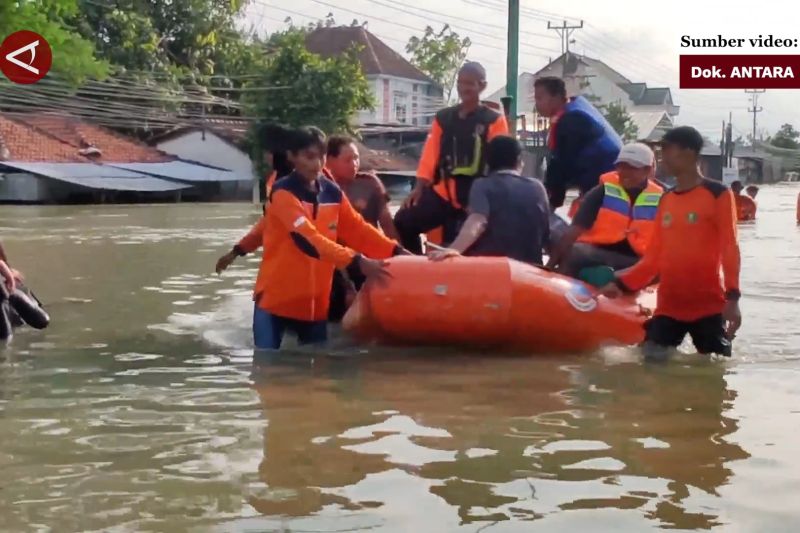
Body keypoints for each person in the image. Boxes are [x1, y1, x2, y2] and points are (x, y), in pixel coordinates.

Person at [216, 127, 405, 350]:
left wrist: (399, 254)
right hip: (275, 306)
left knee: (315, 378)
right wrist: (358, 261)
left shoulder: (332, 193)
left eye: (321, 156)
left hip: (314, 308)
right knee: (267, 372)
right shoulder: (282, 193)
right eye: (309, 156)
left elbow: (360, 231)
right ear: (292, 157)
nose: (317, 164)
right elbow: (308, 240)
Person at [600, 126, 742, 361]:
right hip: (669, 307)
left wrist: (733, 298)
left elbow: (730, 248)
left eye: (666, 150)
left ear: (687, 152)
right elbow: (653, 259)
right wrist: (621, 284)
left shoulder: (718, 194)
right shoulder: (666, 199)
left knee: (715, 375)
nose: (661, 157)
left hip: (707, 306)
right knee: (650, 367)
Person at [394, 62, 509, 254]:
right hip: (444, 192)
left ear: (482, 86)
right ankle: (416, 265)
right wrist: (419, 187)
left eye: (470, 83)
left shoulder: (494, 120)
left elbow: (501, 161)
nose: (464, 88)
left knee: (478, 245)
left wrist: (494, 196)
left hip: (478, 195)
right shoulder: (444, 118)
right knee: (403, 221)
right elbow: (430, 155)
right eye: (461, 83)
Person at [546, 143, 663, 278]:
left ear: (647, 170)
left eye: (632, 168)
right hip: (599, 252)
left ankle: (612, 280)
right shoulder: (603, 191)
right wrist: (550, 266)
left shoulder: (660, 198)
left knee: (659, 268)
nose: (624, 172)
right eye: (621, 166)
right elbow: (575, 230)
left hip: (636, 260)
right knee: (576, 251)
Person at [428, 136, 550, 265]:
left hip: (491, 267)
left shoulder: (482, 185)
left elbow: (477, 221)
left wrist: (453, 249)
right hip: (531, 268)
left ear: (487, 162)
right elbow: (545, 232)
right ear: (519, 160)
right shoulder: (537, 187)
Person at [325, 134, 399, 321]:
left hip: (372, 255)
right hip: (339, 261)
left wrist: (399, 260)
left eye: (356, 158)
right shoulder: (322, 190)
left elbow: (387, 223)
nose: (354, 164)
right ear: (329, 161)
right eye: (348, 160)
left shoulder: (370, 183)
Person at [533, 76, 622, 212]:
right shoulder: (577, 106)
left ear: (556, 97)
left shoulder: (571, 120)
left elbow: (561, 165)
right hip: (609, 177)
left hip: (605, 182)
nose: (536, 104)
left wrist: (550, 202)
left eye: (539, 98)